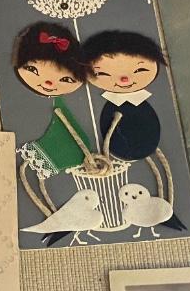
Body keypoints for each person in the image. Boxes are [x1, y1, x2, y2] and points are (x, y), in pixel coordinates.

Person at [11, 22, 102, 217]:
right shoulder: (27, 107)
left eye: (66, 79)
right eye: (33, 69)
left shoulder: (62, 107)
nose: (48, 83)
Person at [82, 30, 177, 207]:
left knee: (159, 164)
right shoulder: (110, 108)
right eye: (105, 73)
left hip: (147, 137)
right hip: (117, 145)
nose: (125, 79)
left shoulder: (143, 105)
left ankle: (164, 207)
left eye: (140, 70)